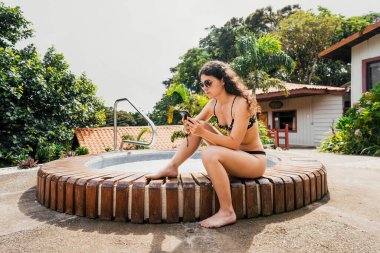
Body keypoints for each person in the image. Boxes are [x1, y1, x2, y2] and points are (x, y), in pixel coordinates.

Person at [146, 60, 266, 228]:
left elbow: (233, 143)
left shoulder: (241, 103)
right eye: (202, 85)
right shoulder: (213, 104)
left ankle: (227, 211)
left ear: (223, 80)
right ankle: (172, 166)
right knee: (198, 126)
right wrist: (189, 127)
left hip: (253, 161)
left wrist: (202, 132)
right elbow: (195, 129)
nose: (205, 88)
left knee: (208, 151)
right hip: (235, 156)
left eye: (208, 83)